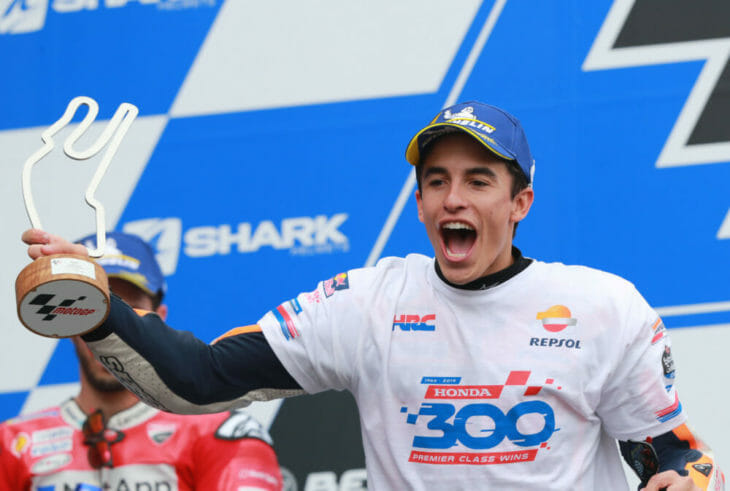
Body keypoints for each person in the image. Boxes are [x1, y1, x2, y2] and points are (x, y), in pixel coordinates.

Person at [21, 102, 723, 490]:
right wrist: (98, 304)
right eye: (437, 181)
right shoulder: (369, 303)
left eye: (479, 180)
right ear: (419, 203)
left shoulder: (602, 307)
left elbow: (671, 453)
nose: (454, 198)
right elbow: (198, 380)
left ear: (521, 203)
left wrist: (689, 478)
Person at [2, 232, 283, 490]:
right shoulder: (13, 443)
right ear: (67, 320)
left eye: (127, 313)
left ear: (158, 319)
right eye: (92, 309)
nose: (110, 330)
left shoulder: (218, 432)